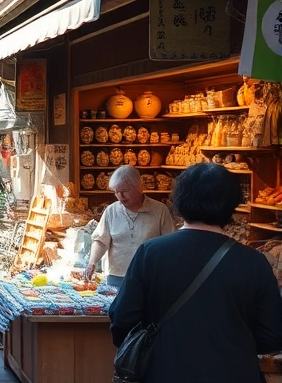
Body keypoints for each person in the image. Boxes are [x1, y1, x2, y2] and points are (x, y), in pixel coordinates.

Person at [109, 163, 282, 382]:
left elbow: (123, 319)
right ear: (231, 205)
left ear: (179, 201)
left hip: (165, 370)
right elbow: (272, 335)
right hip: (235, 372)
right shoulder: (254, 262)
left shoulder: (151, 253)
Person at [84, 166, 175, 288]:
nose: (120, 196)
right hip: (116, 276)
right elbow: (101, 240)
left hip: (149, 276)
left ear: (138, 187)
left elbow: (169, 245)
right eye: (116, 192)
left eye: (125, 191)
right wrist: (92, 263)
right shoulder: (111, 211)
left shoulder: (159, 211)